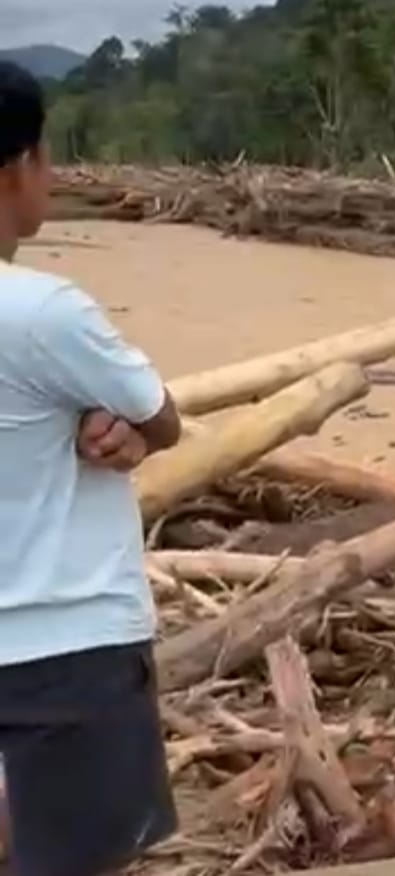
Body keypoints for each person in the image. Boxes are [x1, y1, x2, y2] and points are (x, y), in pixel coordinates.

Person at [0, 61, 182, 876]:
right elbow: (162, 417)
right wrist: (124, 428)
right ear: (20, 166)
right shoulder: (41, 312)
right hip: (64, 650)